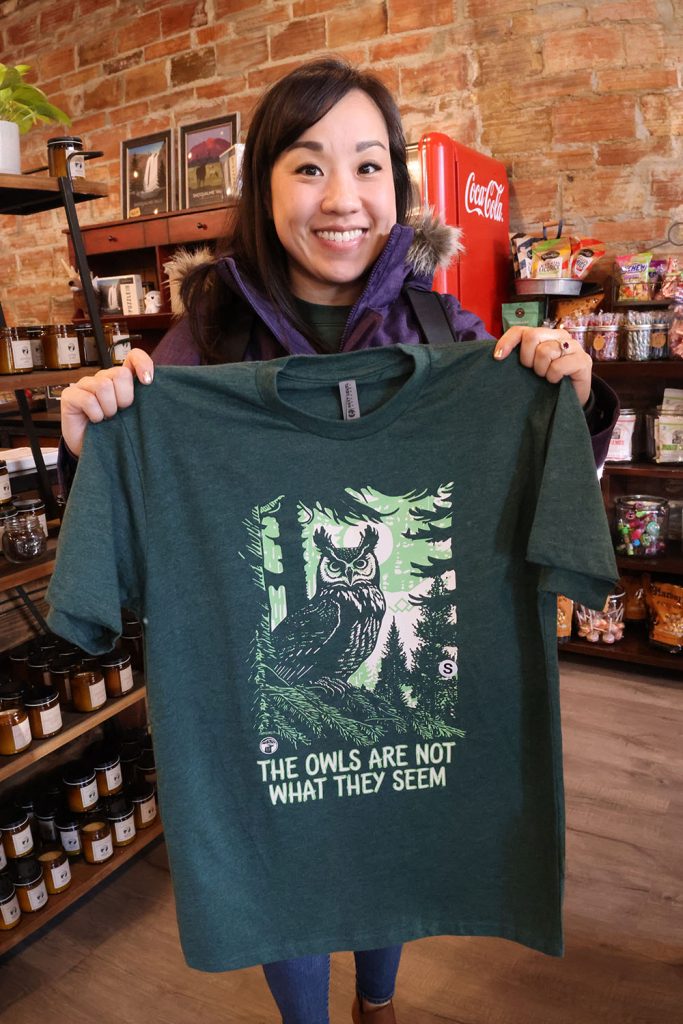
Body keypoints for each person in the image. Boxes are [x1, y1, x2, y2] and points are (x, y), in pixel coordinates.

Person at [58, 58, 618, 1024]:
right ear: (264, 184)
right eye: (308, 167)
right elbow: (129, 532)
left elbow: (553, 486)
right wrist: (96, 437)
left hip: (409, 742)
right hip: (260, 734)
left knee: (385, 815)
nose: (343, 198)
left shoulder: (450, 331)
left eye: (369, 166)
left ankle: (381, 1000)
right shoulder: (200, 343)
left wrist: (563, 395)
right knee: (292, 849)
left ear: (397, 188)